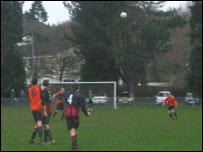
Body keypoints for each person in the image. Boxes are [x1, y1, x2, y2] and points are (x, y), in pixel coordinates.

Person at [60, 83, 91, 151]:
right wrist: (87, 114)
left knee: (73, 130)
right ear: (79, 87)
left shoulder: (66, 93)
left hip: (67, 114)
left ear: (71, 87)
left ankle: (74, 147)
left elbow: (61, 94)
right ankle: (75, 147)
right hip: (75, 115)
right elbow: (83, 108)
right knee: (73, 129)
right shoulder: (80, 96)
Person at [28, 78, 43, 144]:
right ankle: (40, 140)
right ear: (37, 82)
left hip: (32, 108)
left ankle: (31, 139)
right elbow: (41, 96)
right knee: (39, 123)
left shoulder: (29, 89)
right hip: (38, 107)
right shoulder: (38, 88)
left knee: (37, 123)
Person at [41, 80, 55, 145]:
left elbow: (44, 102)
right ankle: (45, 140)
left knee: (46, 125)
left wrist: (44, 111)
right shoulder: (48, 90)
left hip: (46, 109)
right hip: (49, 109)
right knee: (45, 124)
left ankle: (51, 139)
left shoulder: (44, 91)